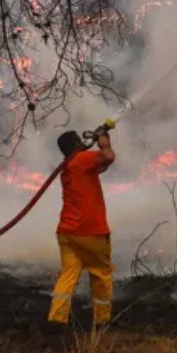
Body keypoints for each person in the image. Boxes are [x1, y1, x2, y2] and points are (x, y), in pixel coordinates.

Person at [47, 127, 116, 331]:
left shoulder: (69, 166)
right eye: (79, 140)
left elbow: (101, 166)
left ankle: (56, 318)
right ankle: (102, 320)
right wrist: (103, 141)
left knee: (68, 274)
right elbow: (108, 157)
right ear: (76, 145)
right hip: (89, 231)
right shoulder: (81, 159)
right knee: (101, 273)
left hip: (67, 232)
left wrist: (103, 140)